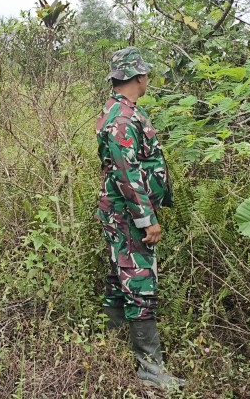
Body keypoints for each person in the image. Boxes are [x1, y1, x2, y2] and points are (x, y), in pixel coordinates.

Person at [95, 46, 184, 390]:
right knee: (139, 281)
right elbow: (126, 173)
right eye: (146, 73)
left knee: (120, 274)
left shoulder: (123, 110)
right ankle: (150, 370)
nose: (148, 79)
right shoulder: (121, 119)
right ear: (138, 76)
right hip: (128, 213)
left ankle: (111, 346)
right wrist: (147, 219)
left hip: (122, 210)